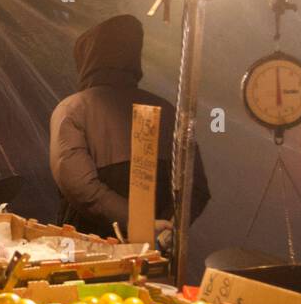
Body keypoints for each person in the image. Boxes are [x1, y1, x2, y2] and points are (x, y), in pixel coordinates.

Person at [49, 14, 209, 242]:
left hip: (91, 250)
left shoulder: (71, 109)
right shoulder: (167, 110)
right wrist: (167, 227)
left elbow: (79, 187)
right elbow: (195, 187)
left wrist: (138, 222)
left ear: (87, 60)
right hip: (158, 250)